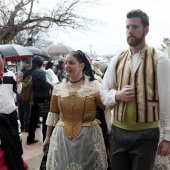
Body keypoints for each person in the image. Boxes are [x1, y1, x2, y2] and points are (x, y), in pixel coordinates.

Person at [100, 9, 170, 170]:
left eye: (135, 27)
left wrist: (167, 137)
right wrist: (117, 95)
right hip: (118, 131)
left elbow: (167, 100)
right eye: (127, 27)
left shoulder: (160, 59)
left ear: (146, 30)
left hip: (146, 133)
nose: (130, 31)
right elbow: (103, 94)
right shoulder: (117, 59)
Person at [43, 50, 108, 169]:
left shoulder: (94, 85)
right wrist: (47, 137)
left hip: (88, 138)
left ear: (82, 66)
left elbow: (106, 107)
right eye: (66, 63)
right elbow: (53, 113)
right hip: (62, 138)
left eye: (71, 63)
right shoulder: (58, 87)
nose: (67, 66)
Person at [0, 52, 28, 169]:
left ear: (3, 60)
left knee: (14, 137)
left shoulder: (10, 74)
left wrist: (18, 82)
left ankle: (17, 160)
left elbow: (17, 91)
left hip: (10, 113)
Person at [26, 55, 52, 145]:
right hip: (42, 98)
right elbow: (44, 85)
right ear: (40, 63)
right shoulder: (40, 72)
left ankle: (30, 137)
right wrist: (51, 86)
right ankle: (45, 137)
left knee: (33, 118)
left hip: (33, 98)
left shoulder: (29, 72)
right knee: (45, 118)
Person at [18, 62, 31, 132]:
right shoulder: (26, 73)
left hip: (19, 95)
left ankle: (22, 126)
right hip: (25, 95)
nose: (29, 68)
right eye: (28, 66)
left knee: (21, 112)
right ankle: (26, 127)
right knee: (27, 111)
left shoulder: (20, 72)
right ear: (25, 67)